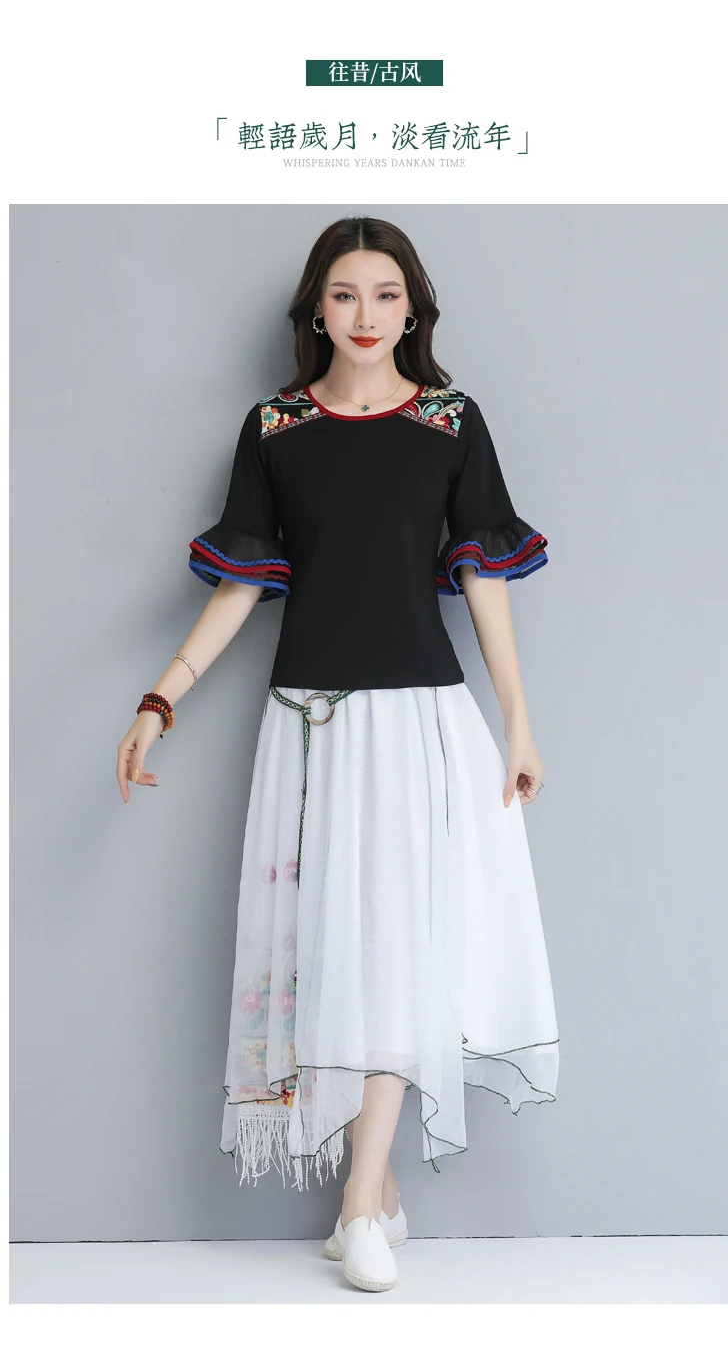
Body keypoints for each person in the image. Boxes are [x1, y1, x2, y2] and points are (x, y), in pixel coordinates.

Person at [116, 215, 559, 1293]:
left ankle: (359, 1200)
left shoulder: (451, 422)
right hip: (309, 725)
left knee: (398, 949)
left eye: (387, 295)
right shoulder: (275, 427)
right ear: (317, 307)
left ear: (414, 309)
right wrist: (160, 699)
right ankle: (382, 1192)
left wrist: (517, 719)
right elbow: (242, 584)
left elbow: (484, 579)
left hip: (420, 724)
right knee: (336, 955)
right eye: (347, 294)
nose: (367, 315)